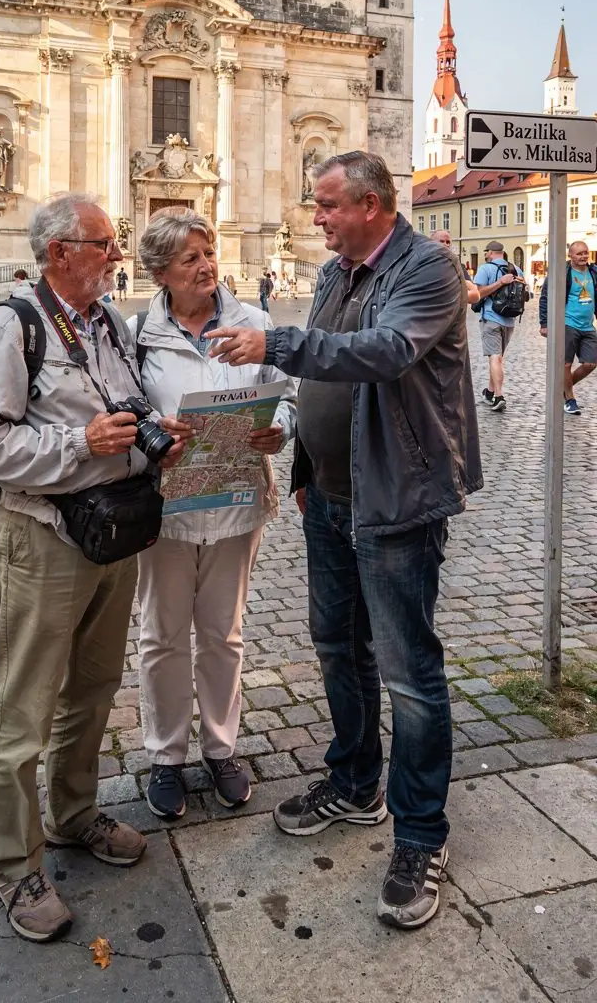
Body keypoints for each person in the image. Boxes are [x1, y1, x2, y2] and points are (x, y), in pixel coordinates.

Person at [207, 151, 482, 931]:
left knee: (409, 674)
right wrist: (299, 459)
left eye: (327, 205)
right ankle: (356, 783)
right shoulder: (336, 274)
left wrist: (274, 345)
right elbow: (322, 383)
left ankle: (421, 834)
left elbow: (386, 353)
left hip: (395, 501)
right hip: (328, 496)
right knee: (337, 647)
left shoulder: (426, 267)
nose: (316, 216)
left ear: (369, 204)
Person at [0, 193, 187, 943]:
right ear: (60, 253)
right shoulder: (10, 327)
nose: (117, 255)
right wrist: (80, 445)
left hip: (113, 534)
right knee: (22, 711)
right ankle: (15, 866)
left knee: (92, 690)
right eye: (104, 244)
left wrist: (155, 436)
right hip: (45, 537)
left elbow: (125, 404)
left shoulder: (109, 323)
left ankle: (75, 813)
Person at [132, 210, 296, 820]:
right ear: (160, 273)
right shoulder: (139, 334)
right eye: (190, 259)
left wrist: (278, 427)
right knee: (161, 635)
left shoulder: (254, 322)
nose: (206, 265)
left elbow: (289, 393)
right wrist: (152, 430)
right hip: (169, 509)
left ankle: (221, 747)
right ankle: (166, 755)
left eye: (209, 252)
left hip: (235, 502)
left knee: (224, 633)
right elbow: (124, 409)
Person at [540, 240, 597, 416]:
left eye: (585, 252)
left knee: (590, 363)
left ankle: (561, 388)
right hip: (567, 324)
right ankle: (570, 399)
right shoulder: (561, 272)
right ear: (570, 255)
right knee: (565, 363)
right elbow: (545, 298)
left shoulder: (594, 272)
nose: (584, 256)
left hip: (588, 326)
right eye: (579, 253)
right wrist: (544, 323)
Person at [473, 240, 524, 412]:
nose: (485, 254)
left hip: (491, 318)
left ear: (490, 252)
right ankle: (490, 392)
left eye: (486, 251)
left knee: (495, 358)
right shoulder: (516, 269)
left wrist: (500, 283)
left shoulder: (485, 268)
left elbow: (478, 293)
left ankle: (499, 396)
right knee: (497, 359)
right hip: (510, 319)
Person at [431, 230, 480, 307]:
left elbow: (474, 295)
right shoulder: (423, 264)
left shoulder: (459, 266)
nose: (445, 244)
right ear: (431, 243)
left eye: (448, 242)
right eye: (441, 241)